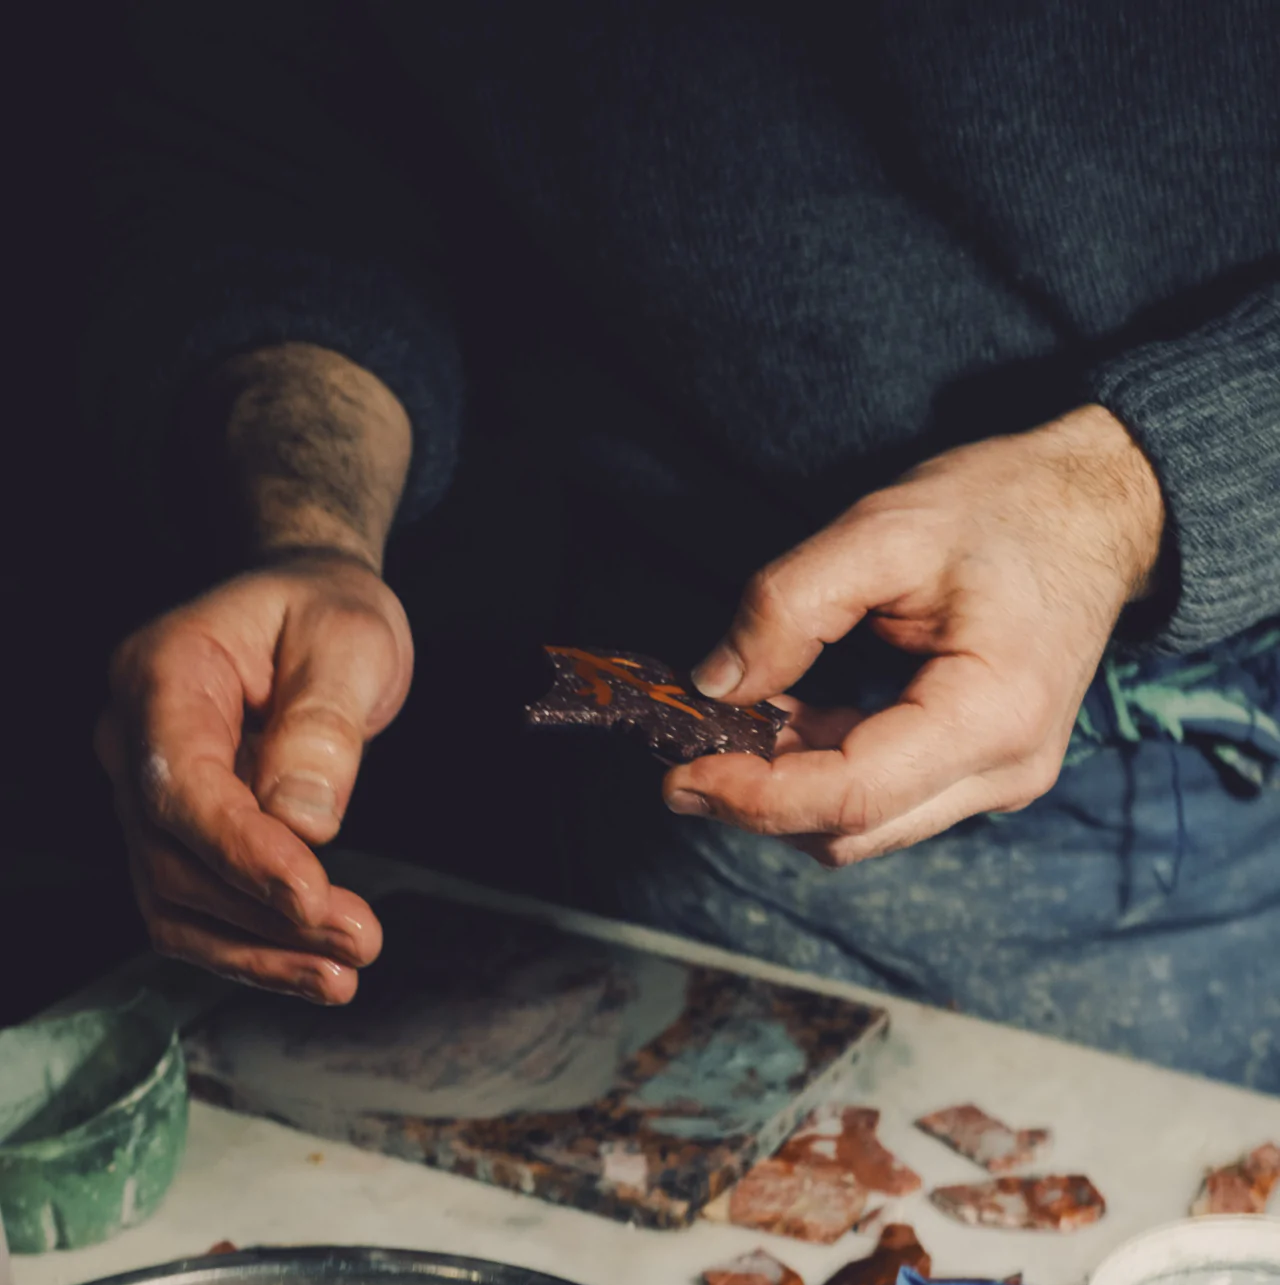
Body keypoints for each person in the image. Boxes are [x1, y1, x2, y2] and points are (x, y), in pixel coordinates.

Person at [91, 3, 1280, 1085]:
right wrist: (311, 535)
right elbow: (276, 151)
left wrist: (1111, 502)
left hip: (1192, 773)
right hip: (630, 715)